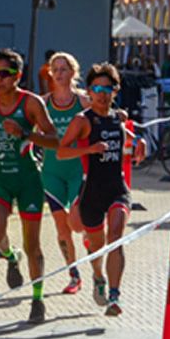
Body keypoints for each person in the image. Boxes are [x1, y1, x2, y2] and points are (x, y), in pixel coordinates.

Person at [0, 48, 58, 324]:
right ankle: (11, 257)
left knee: (33, 244)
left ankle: (37, 299)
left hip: (27, 180)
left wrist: (25, 133)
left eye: (4, 74)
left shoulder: (31, 103)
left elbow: (55, 139)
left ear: (17, 76)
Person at [58, 63, 144, 316]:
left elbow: (124, 136)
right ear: (89, 91)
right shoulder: (82, 120)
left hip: (117, 188)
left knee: (115, 237)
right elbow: (62, 151)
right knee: (97, 246)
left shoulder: (117, 118)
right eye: (97, 88)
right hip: (92, 192)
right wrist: (89, 149)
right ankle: (98, 276)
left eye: (108, 88)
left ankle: (115, 296)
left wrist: (138, 142)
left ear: (115, 91)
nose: (102, 93)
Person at [39, 52, 89, 295]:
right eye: (55, 69)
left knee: (77, 225)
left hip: (77, 170)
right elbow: (27, 127)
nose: (59, 73)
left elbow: (105, 121)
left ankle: (91, 235)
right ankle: (73, 274)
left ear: (73, 73)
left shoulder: (84, 102)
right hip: (51, 172)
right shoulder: (43, 102)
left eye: (64, 69)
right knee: (61, 228)